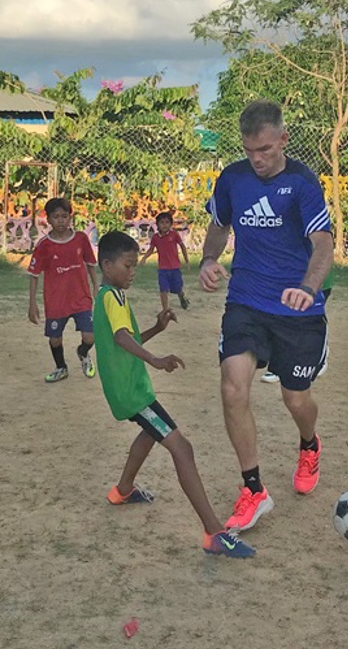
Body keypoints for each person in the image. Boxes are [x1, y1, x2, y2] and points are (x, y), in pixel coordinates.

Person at [199, 99, 333, 532]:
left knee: (296, 399)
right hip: (247, 301)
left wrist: (308, 289)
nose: (257, 160)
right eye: (249, 150)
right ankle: (253, 489)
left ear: (283, 140)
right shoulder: (233, 179)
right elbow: (220, 224)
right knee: (233, 387)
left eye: (266, 150)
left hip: (298, 308)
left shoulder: (302, 182)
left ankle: (309, 444)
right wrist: (207, 259)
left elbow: (323, 244)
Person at [93, 231, 255, 558]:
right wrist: (155, 359)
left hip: (132, 389)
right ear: (107, 265)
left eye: (135, 264)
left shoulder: (113, 296)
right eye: (127, 265)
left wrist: (157, 329)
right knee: (182, 447)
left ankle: (122, 490)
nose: (133, 271)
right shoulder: (111, 297)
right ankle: (214, 533)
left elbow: (125, 338)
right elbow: (123, 339)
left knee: (152, 433)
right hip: (132, 393)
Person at [27, 197, 98, 383]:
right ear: (48, 220)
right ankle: (61, 368)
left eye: (64, 216)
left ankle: (83, 353)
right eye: (56, 217)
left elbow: (91, 265)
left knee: (90, 337)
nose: (60, 221)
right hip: (56, 301)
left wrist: (97, 288)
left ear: (70, 218)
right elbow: (33, 275)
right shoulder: (44, 246)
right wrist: (32, 304)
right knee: (55, 340)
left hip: (81, 298)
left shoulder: (81, 239)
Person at [261, 266, 333, 384]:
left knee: (310, 318)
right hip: (287, 279)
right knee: (281, 318)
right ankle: (276, 366)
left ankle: (321, 353)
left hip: (316, 281)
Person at [140, 210, 190, 312]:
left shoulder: (174, 235)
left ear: (171, 224)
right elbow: (151, 249)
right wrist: (144, 258)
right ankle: (165, 309)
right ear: (158, 224)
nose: (164, 225)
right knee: (163, 289)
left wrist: (187, 261)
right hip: (163, 269)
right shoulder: (155, 238)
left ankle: (181, 296)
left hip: (175, 268)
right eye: (162, 222)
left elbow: (183, 247)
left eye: (167, 222)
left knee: (177, 288)